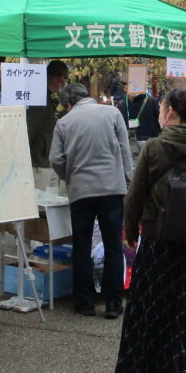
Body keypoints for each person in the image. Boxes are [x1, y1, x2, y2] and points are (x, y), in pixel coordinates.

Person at [114, 86, 186, 373]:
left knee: (156, 307)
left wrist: (131, 232)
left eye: (162, 109)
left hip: (158, 238)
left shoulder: (154, 147)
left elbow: (135, 195)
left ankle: (153, 372)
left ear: (171, 113)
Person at [51, 82, 133, 318]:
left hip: (81, 191)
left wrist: (69, 175)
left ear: (69, 103)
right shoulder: (112, 113)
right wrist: (127, 179)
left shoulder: (64, 123)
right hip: (111, 189)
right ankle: (113, 303)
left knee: (82, 246)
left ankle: (85, 302)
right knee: (113, 247)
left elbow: (55, 158)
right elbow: (124, 149)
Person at [26, 60, 69, 173]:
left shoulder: (47, 96)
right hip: (38, 162)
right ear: (58, 78)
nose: (65, 83)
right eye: (66, 78)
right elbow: (30, 128)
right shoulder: (40, 98)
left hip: (45, 160)